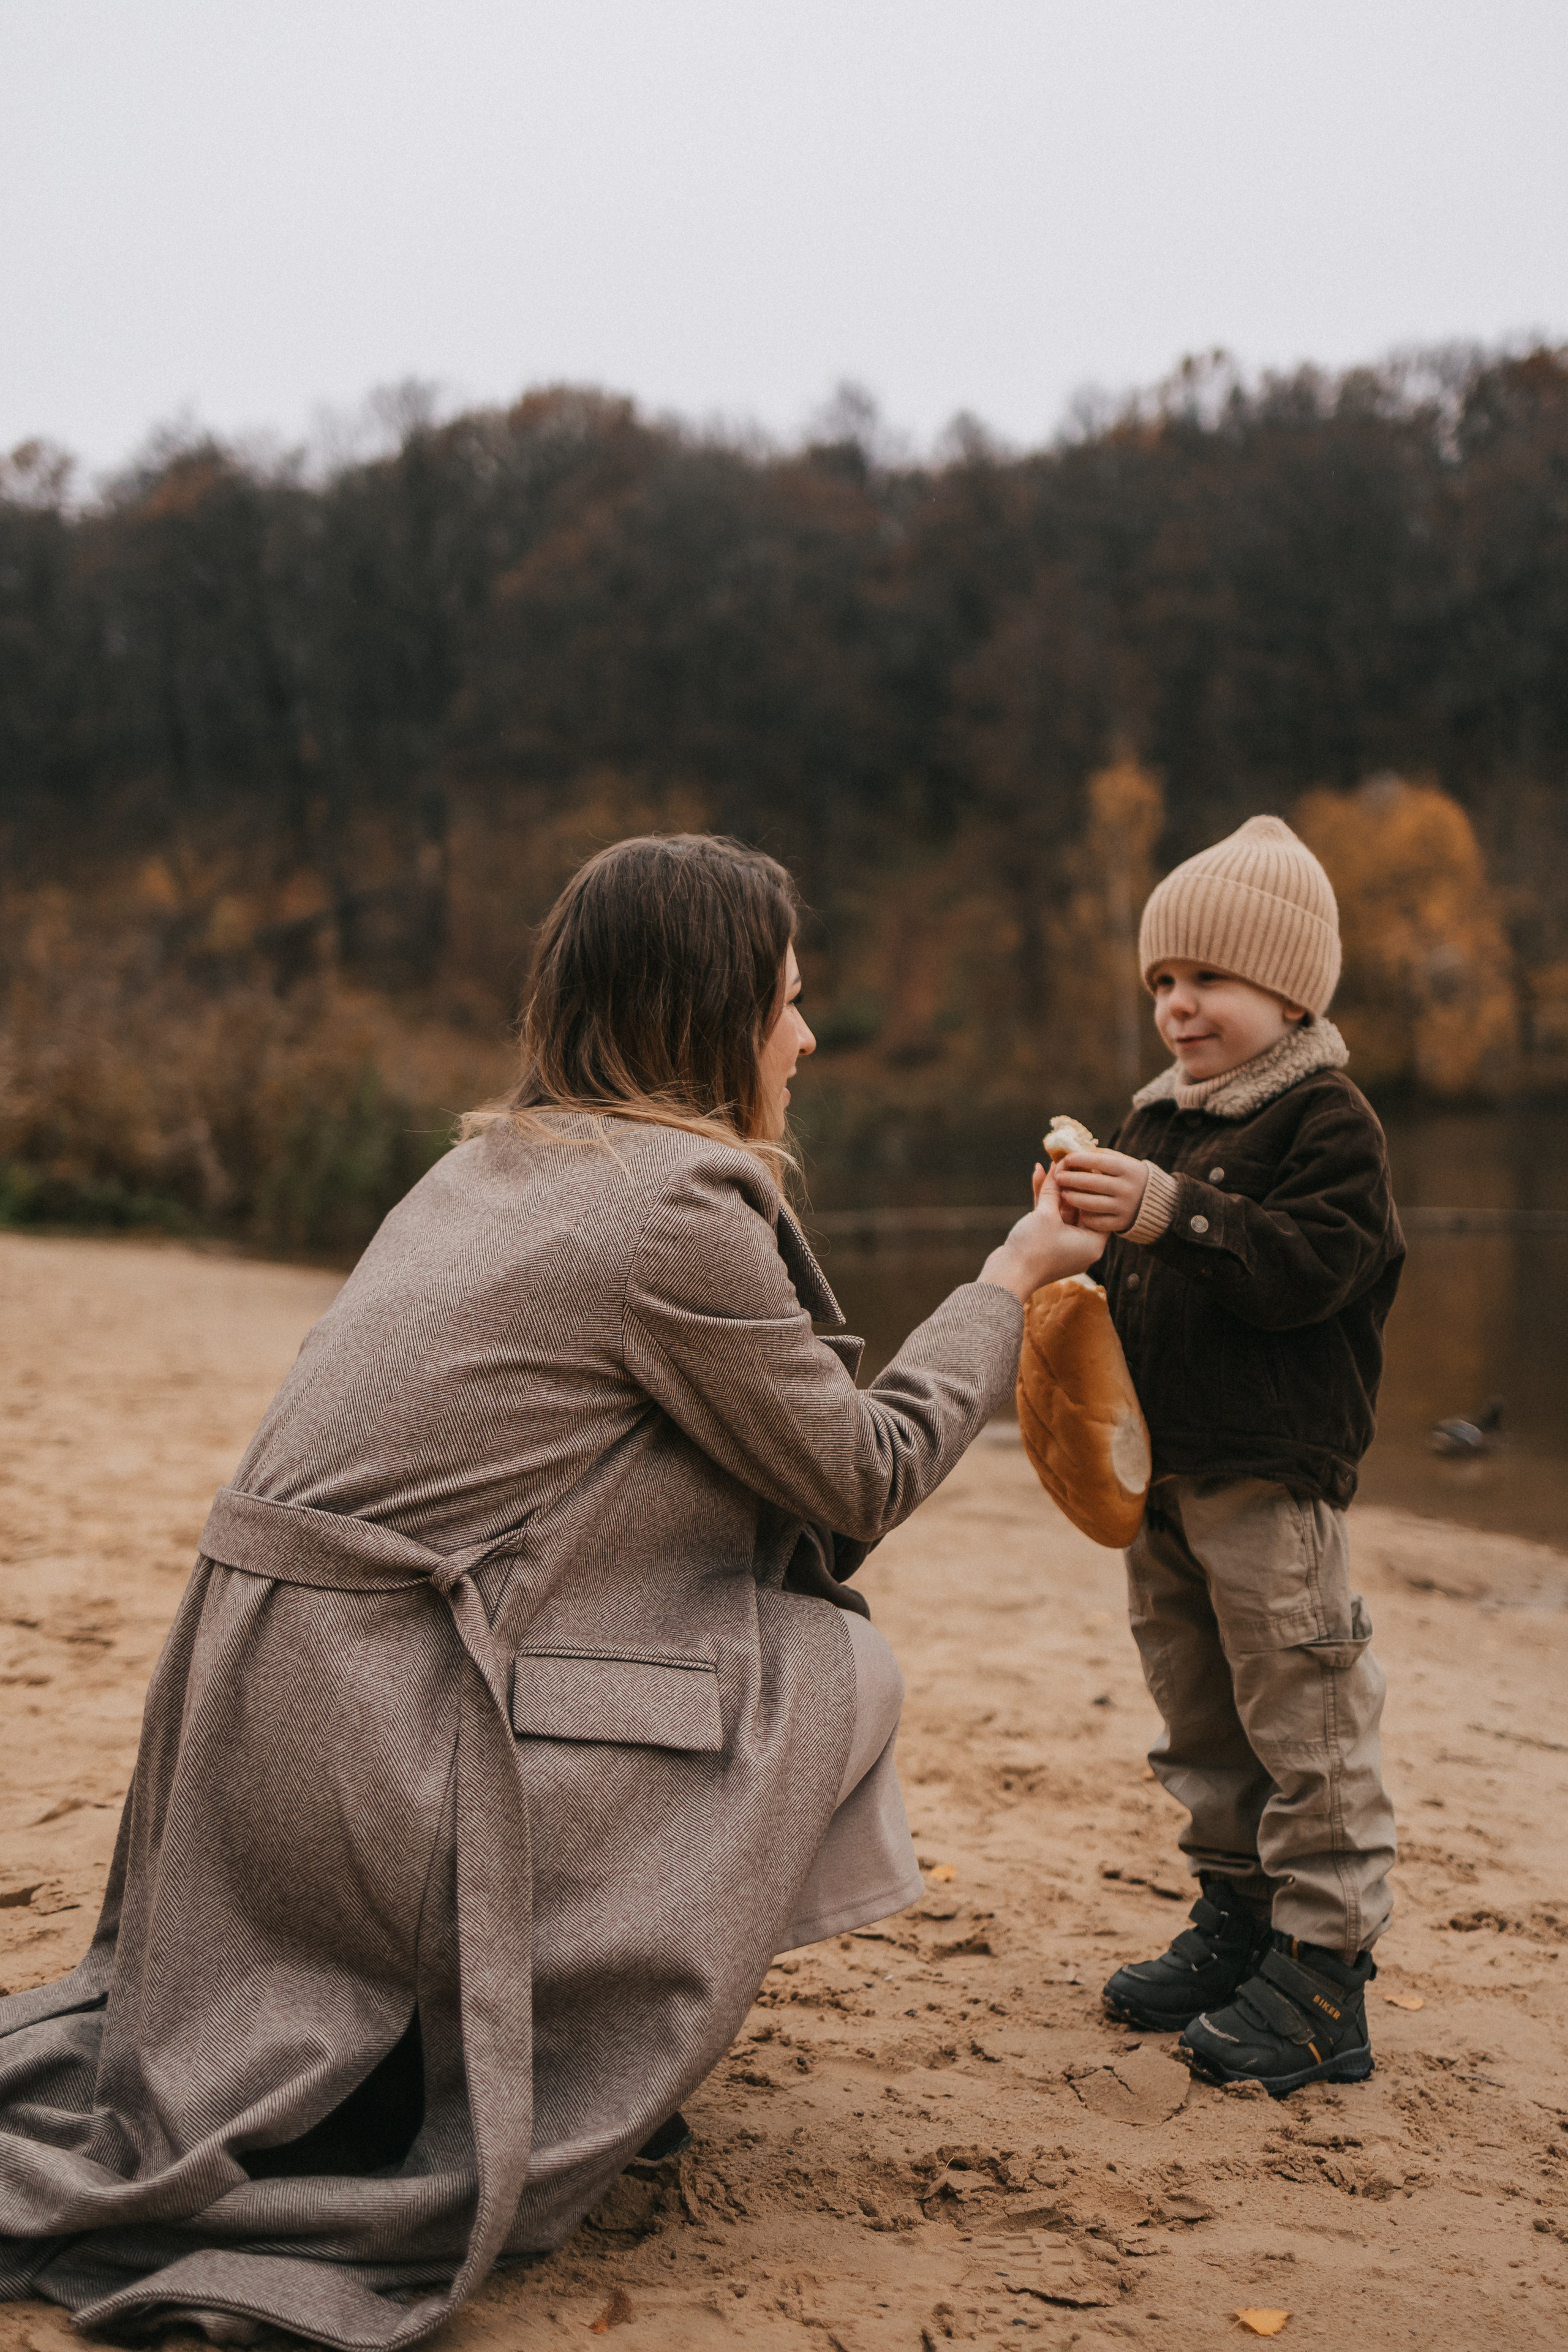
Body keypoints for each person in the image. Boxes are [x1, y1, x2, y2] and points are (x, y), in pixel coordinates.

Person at [0, 833, 1100, 2349]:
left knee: (741, 1634)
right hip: (379, 1744)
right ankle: (540, 2024)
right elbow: (860, 1478)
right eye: (787, 1001)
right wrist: (1007, 1280)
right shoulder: (670, 1209)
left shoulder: (482, 1169)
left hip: (264, 1726)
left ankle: (506, 2006)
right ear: (711, 1014)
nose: (806, 1037)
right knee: (825, 1664)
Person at [1053, 814, 1404, 2095]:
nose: (1177, 1006)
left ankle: (1324, 1971)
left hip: (1269, 1476)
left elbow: (1307, 1269)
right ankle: (1239, 1915)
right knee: (1198, 1714)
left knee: (1304, 1713)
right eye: (1161, 980)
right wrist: (1078, 1237)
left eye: (1209, 977)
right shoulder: (1151, 1120)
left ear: (1291, 992)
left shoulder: (1329, 1123)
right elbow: (1127, 1282)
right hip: (1162, 1475)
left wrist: (1163, 1211)